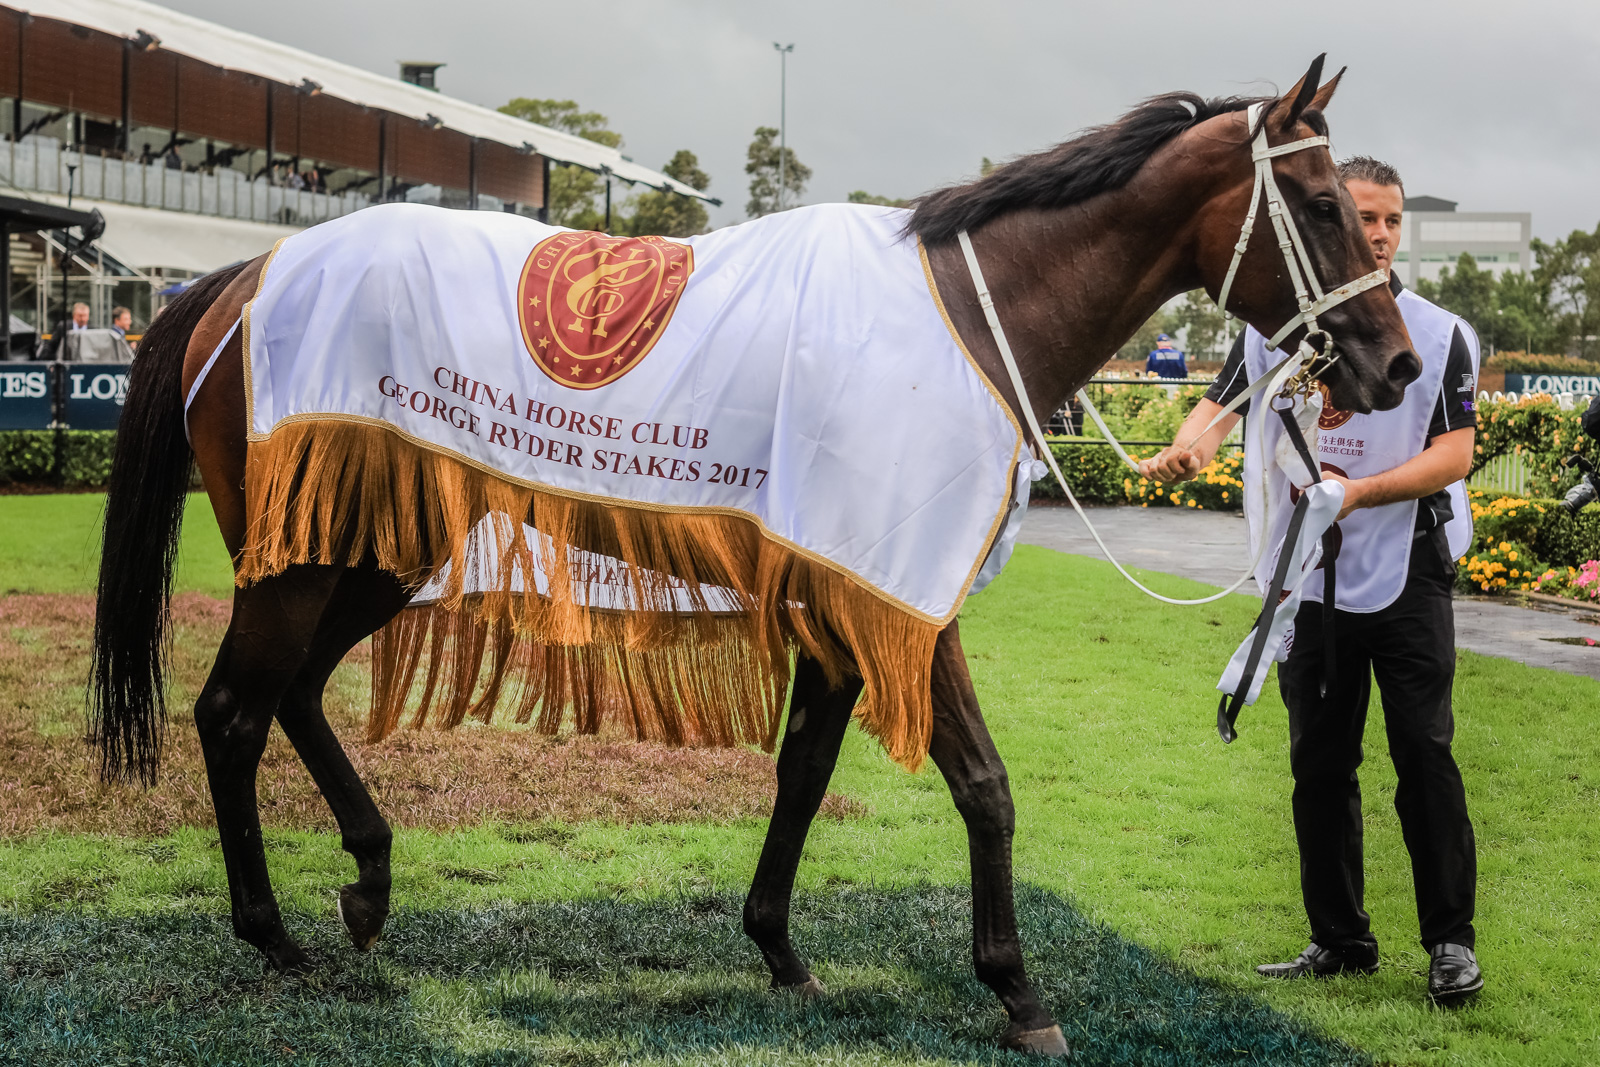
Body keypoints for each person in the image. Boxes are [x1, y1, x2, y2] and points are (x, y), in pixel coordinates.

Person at [1138, 157, 1484, 1004]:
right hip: (1310, 577)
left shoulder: (1440, 334)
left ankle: (1450, 942)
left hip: (1407, 572)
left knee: (1424, 755)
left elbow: (1456, 455)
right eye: (1364, 216)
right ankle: (1340, 939)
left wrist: (1357, 492)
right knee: (1318, 763)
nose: (1379, 233)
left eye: (1391, 220)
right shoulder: (1274, 329)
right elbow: (1221, 406)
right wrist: (1191, 446)